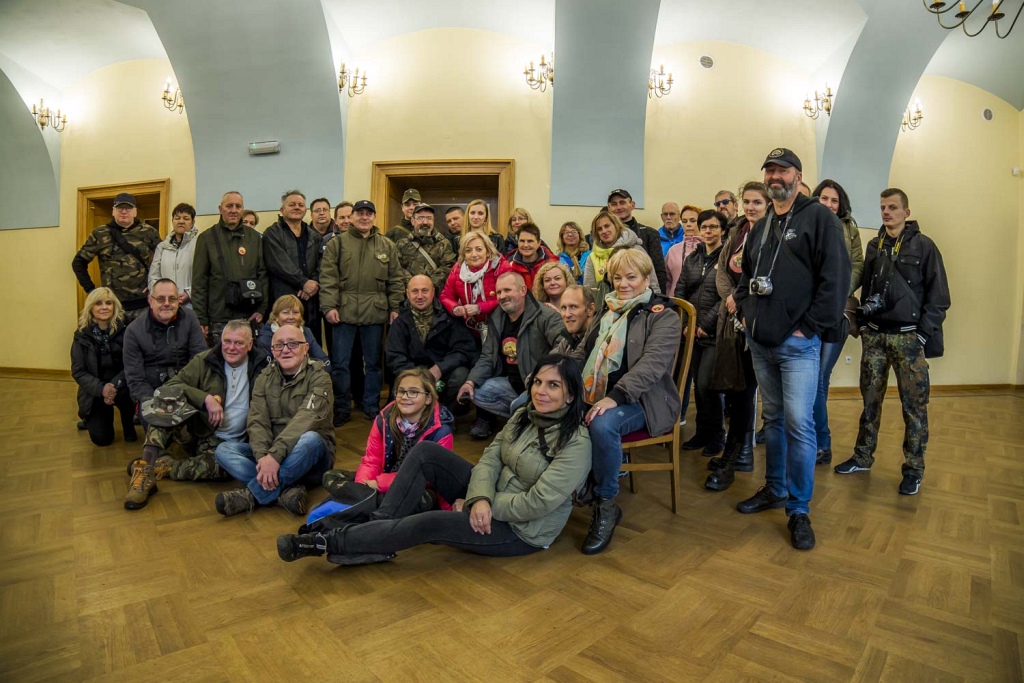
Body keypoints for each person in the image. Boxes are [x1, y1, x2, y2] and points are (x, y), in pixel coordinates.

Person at [276, 354, 591, 567]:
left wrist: (479, 504)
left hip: (521, 529)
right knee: (426, 452)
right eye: (538, 382)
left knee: (427, 524)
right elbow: (491, 459)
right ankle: (374, 537)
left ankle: (326, 542)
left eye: (553, 385)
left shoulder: (576, 443)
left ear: (571, 395)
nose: (541, 391)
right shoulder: (524, 414)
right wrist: (477, 496)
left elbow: (538, 503)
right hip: (487, 497)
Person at [732, 148, 851, 551]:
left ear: (798, 176)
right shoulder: (763, 225)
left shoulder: (820, 218)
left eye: (782, 170)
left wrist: (809, 328)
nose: (774, 176)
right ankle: (775, 488)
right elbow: (747, 273)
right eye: (769, 170)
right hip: (761, 341)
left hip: (798, 344)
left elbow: (836, 279)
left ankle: (799, 509)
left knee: (801, 425)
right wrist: (747, 315)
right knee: (775, 418)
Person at [834, 188, 950, 496]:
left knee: (914, 408)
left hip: (909, 340)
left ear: (906, 212)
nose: (886, 212)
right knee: (869, 402)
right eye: (883, 207)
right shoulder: (874, 246)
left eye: (893, 207)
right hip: (875, 338)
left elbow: (939, 298)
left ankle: (913, 469)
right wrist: (864, 326)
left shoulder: (925, 247)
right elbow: (867, 287)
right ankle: (862, 456)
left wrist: (922, 335)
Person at [581, 248, 680, 554]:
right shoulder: (608, 310)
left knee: (602, 422)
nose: (623, 284)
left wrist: (615, 397)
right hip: (602, 393)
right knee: (532, 403)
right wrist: (552, 377)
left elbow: (651, 367)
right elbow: (584, 353)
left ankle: (606, 503)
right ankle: (570, 486)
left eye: (631, 277)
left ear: (647, 278)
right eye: (618, 277)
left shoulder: (665, 316)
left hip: (645, 401)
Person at [123, 321, 269, 509]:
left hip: (232, 443)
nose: (231, 348)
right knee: (164, 401)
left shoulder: (263, 366)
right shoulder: (206, 359)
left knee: (225, 470)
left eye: (239, 343)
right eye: (227, 341)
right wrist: (205, 399)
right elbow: (169, 387)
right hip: (200, 430)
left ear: (250, 345)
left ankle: (166, 468)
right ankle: (145, 469)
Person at [214, 324, 335, 516]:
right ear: (273, 351)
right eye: (279, 345)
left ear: (306, 348)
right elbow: (257, 421)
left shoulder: (320, 377)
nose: (286, 349)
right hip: (273, 455)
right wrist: (263, 456)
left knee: (310, 439)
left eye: (293, 344)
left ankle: (250, 495)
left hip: (310, 457)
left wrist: (274, 456)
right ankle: (286, 491)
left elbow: (305, 419)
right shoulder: (264, 378)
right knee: (224, 450)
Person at [705, 181, 770, 490]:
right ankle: (735, 452)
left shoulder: (774, 233)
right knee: (734, 389)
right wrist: (731, 296)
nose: (751, 206)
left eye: (757, 201)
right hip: (730, 318)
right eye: (747, 201)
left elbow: (765, 276)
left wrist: (740, 299)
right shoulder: (737, 232)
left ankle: (735, 456)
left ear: (769, 204)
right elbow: (722, 271)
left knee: (745, 392)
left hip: (756, 320)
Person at [320, 200, 406, 423]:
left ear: (374, 217)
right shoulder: (337, 244)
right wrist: (329, 306)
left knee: (374, 364)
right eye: (360, 213)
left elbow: (396, 279)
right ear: (352, 217)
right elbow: (328, 278)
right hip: (343, 312)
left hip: (375, 313)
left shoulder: (387, 245)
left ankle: (370, 405)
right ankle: (342, 407)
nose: (364, 217)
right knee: (340, 364)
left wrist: (394, 306)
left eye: (369, 213)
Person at [457, 272, 565, 439]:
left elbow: (564, 345)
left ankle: (525, 414)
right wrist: (470, 381)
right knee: (475, 392)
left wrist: (540, 375)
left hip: (537, 385)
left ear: (523, 290)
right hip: (511, 384)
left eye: (508, 290)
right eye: (499, 292)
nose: (502, 296)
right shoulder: (497, 317)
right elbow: (488, 355)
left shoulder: (546, 315)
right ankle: (528, 416)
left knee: (517, 407)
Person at [811, 179, 865, 465]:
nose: (829, 204)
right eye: (824, 198)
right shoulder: (806, 222)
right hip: (809, 311)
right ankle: (811, 438)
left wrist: (840, 288)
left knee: (818, 377)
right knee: (814, 379)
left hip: (839, 311)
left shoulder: (849, 229)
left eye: (834, 200)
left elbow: (858, 265)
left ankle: (823, 443)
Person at [350, 368, 456, 498]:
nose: (405, 397)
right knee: (344, 485)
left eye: (413, 392)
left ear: (428, 398)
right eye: (401, 391)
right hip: (383, 481)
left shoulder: (441, 431)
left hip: (416, 488)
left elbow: (431, 477)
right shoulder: (383, 419)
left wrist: (379, 483)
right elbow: (371, 461)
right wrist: (361, 487)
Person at [675, 209, 727, 456]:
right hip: (690, 332)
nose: (708, 231)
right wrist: (687, 323)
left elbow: (726, 296)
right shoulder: (692, 259)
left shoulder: (728, 260)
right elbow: (680, 292)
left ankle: (717, 436)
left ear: (722, 231)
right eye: (704, 226)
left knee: (708, 385)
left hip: (713, 333)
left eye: (713, 227)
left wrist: (704, 325)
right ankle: (702, 433)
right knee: (697, 385)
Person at [386, 275, 478, 411]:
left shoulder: (450, 317)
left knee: (460, 375)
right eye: (415, 291)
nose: (420, 296)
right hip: (414, 373)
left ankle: (446, 414)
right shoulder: (400, 321)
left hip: (444, 371)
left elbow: (464, 350)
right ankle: (419, 416)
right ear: (407, 293)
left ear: (433, 292)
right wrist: (418, 375)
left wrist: (439, 368)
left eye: (424, 291)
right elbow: (394, 356)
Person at [191, 190, 268, 344]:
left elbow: (263, 275)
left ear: (242, 209)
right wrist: (201, 318)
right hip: (218, 318)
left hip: (249, 315)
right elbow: (199, 282)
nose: (234, 210)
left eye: (238, 206)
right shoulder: (206, 238)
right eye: (229, 206)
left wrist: (262, 309)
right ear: (220, 209)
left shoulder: (254, 238)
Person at [72, 192, 161, 323]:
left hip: (143, 305)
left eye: (128, 208)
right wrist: (92, 291)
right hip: (111, 307)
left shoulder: (149, 232)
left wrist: (156, 284)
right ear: (113, 211)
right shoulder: (100, 233)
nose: (124, 211)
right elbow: (78, 263)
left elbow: (164, 260)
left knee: (143, 342)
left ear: (135, 211)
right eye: (120, 208)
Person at [122, 278, 207, 405]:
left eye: (172, 299)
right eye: (160, 299)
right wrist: (156, 403)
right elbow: (136, 379)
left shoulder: (190, 318)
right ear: (150, 301)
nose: (166, 303)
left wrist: (191, 395)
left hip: (186, 390)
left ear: (179, 300)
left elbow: (200, 361)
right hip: (151, 396)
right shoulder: (133, 331)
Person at [72, 288, 135, 446]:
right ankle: (94, 419)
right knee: (102, 439)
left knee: (131, 435)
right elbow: (78, 372)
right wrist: (102, 389)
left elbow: (133, 364)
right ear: (91, 308)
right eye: (98, 303)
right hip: (96, 390)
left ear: (115, 306)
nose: (104, 307)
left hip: (122, 384)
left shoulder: (127, 330)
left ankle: (129, 422)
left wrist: (113, 386)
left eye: (109, 303)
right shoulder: (81, 336)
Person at [262, 190, 324, 346]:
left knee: (310, 343)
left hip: (310, 300)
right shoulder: (272, 234)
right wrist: (303, 282)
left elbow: (321, 264)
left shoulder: (314, 235)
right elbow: (279, 264)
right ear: (282, 210)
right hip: (283, 298)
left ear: (305, 210)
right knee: (286, 344)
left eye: (301, 205)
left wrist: (313, 283)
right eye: (292, 204)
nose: (297, 207)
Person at [439, 231, 505, 338]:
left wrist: (480, 308)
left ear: (488, 252)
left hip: (499, 327)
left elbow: (508, 298)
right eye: (468, 251)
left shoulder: (501, 267)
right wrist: (455, 307)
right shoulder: (458, 269)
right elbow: (446, 296)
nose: (474, 255)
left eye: (479, 249)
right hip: (470, 328)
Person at [606, 188, 668, 293]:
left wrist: (657, 299)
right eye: (614, 204)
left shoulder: (649, 234)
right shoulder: (603, 237)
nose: (619, 207)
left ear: (632, 205)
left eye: (622, 202)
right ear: (609, 208)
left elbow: (659, 271)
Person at [584, 211, 660, 295]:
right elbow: (588, 291)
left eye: (607, 226)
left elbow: (652, 283)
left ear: (616, 226)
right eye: (599, 229)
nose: (604, 231)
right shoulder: (592, 257)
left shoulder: (636, 250)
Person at [395, 203, 458, 291]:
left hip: (436, 297)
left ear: (433, 221)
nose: (425, 222)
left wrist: (428, 285)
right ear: (413, 221)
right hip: (409, 296)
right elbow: (396, 268)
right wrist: (414, 285)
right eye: (420, 218)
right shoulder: (402, 244)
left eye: (429, 218)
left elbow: (449, 267)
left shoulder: (444, 243)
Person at [148, 202, 198, 308]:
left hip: (191, 305)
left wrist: (189, 293)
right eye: (177, 218)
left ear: (193, 222)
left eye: (186, 218)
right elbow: (154, 276)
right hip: (165, 306)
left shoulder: (199, 244)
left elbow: (204, 277)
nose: (181, 221)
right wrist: (158, 296)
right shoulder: (162, 247)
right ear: (172, 221)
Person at [256, 295, 330, 364]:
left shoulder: (306, 332)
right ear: (276, 317)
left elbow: (324, 361)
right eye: (286, 313)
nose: (291, 317)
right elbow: (265, 369)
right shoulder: (265, 338)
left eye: (295, 312)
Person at [500, 223, 557, 290]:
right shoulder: (508, 266)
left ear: (539, 243)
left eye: (530, 241)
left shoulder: (553, 264)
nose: (525, 245)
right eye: (522, 241)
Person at [551, 284, 595, 362]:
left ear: (590, 309)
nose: (567, 314)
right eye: (563, 308)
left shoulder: (599, 340)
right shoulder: (568, 339)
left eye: (573, 307)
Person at [665, 204, 704, 295]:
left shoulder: (709, 248)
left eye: (693, 221)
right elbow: (667, 280)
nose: (688, 224)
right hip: (676, 303)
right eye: (684, 221)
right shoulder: (673, 251)